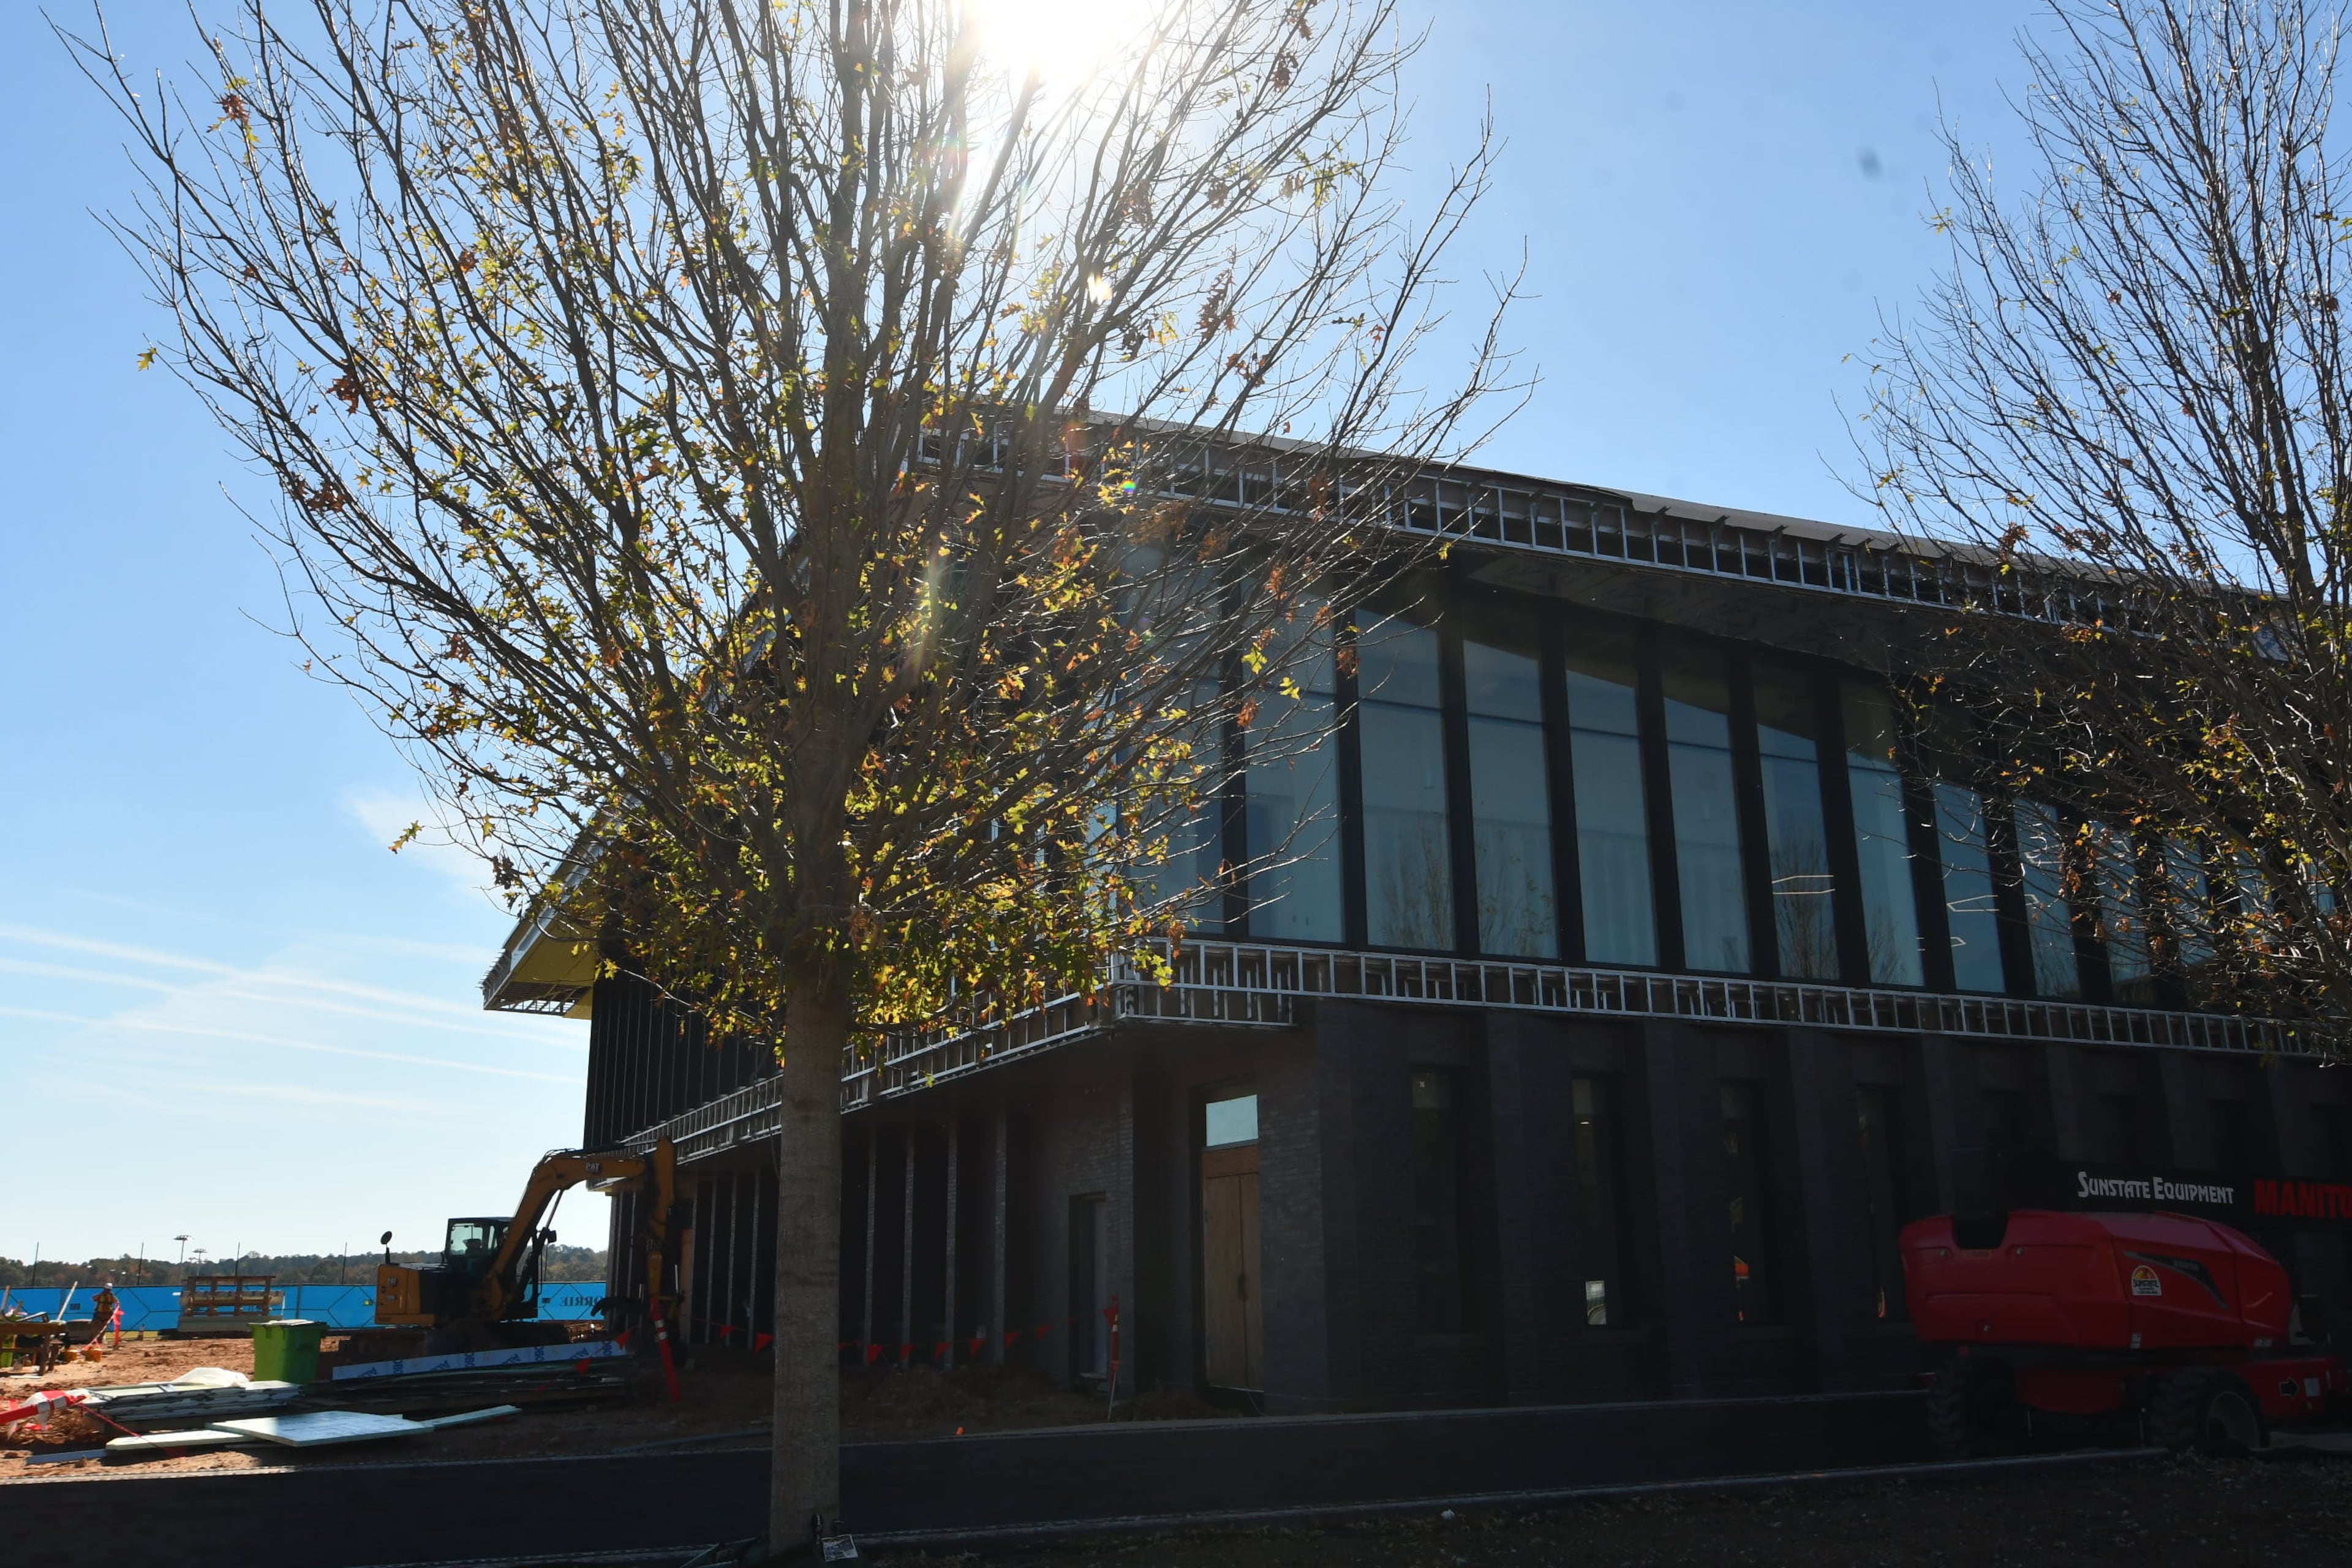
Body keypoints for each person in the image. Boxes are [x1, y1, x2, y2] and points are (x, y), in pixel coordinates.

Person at [86, 1282, 118, 1347]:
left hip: (107, 1315)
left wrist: (112, 1296)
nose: (107, 1291)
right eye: (106, 1290)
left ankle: (100, 1341)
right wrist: (101, 1294)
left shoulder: (111, 1296)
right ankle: (92, 1341)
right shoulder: (100, 1295)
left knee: (103, 1329)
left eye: (108, 1290)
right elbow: (94, 1299)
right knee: (95, 1328)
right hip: (99, 1314)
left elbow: (117, 1302)